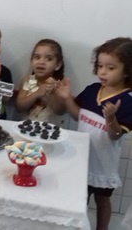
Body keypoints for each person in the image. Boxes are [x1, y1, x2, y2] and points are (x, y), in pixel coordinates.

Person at [57, 37, 132, 230]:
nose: (103, 72)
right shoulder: (92, 90)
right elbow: (77, 116)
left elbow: (116, 135)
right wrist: (66, 98)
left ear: (127, 71)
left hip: (104, 164)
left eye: (110, 67)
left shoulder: (127, 101)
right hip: (81, 158)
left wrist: (111, 120)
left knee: (102, 200)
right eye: (100, 66)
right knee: (80, 198)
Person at [15, 39, 65, 124]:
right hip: (26, 128)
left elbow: (60, 111)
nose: (41, 62)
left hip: (49, 131)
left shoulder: (59, 84)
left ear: (58, 65)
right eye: (37, 57)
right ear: (31, 61)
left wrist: (52, 94)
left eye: (48, 59)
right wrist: (37, 93)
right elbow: (19, 107)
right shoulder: (29, 81)